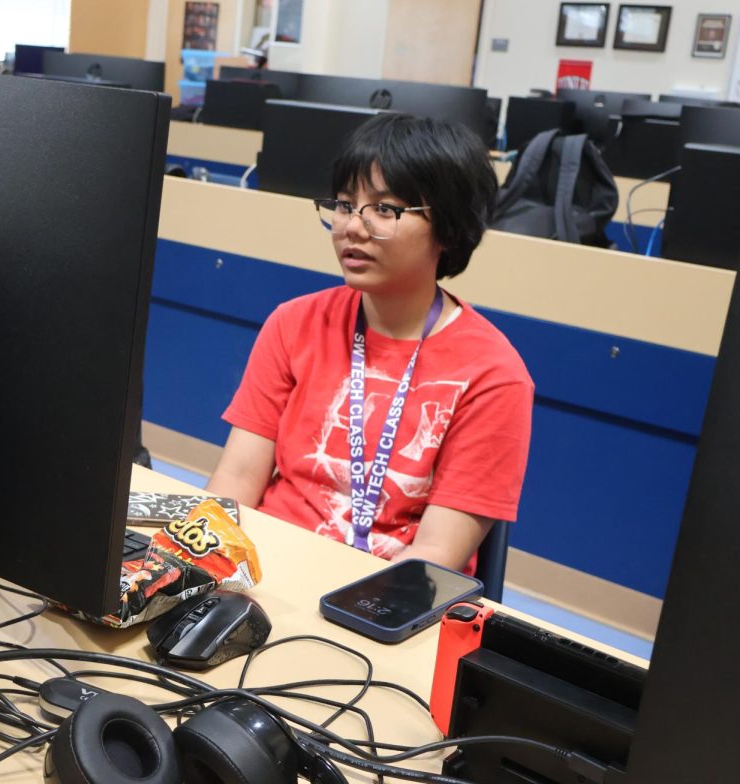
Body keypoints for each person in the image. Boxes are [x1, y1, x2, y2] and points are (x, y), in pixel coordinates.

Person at [207, 113, 533, 575]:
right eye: (343, 205)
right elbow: (236, 481)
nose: (352, 228)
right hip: (265, 571)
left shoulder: (494, 375)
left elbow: (436, 556)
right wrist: (200, 570)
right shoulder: (295, 323)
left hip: (387, 597)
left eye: (385, 209)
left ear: (450, 228)